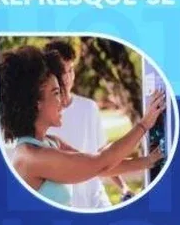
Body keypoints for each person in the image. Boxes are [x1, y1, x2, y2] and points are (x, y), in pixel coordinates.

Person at [0, 46, 166, 207]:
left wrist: (147, 161)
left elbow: (100, 166)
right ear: (36, 103)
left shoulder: (49, 142)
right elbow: (100, 162)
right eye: (56, 93)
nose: (62, 100)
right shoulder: (31, 157)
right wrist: (145, 124)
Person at [43, 40, 135, 207]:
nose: (69, 78)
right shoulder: (42, 116)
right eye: (63, 72)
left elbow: (101, 153)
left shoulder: (89, 107)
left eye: (71, 70)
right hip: (65, 204)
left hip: (96, 199)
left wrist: (123, 186)